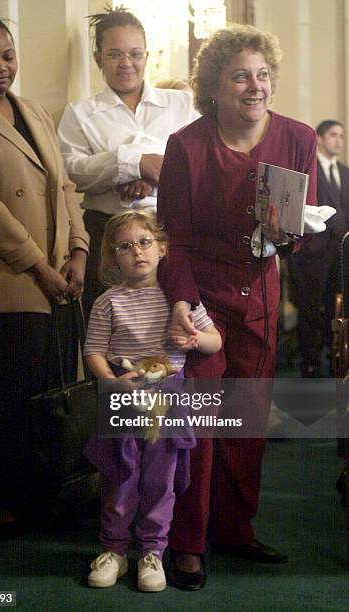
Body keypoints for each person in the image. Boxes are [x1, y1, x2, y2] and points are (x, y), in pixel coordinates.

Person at [157, 24, 318, 590]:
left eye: (263, 74)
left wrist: (288, 234)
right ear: (215, 87)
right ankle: (187, 542)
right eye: (240, 76)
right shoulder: (187, 145)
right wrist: (181, 302)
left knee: (246, 421)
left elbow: (305, 227)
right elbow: (171, 238)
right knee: (200, 423)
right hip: (200, 301)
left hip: (260, 297)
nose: (255, 86)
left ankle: (234, 530)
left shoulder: (299, 137)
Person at [0, 16, 89, 534]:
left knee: (58, 394)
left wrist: (78, 252)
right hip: (7, 280)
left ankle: (54, 494)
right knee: (17, 399)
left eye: (8, 55)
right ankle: (11, 501)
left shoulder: (33, 109)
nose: (1, 66)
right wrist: (38, 265)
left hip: (58, 273)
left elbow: (64, 187)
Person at [83, 210, 221, 592]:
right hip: (123, 398)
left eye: (144, 243)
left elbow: (215, 341)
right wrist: (111, 382)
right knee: (119, 477)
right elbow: (93, 351)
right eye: (125, 247)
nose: (137, 252)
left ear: (162, 248)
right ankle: (113, 551)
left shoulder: (181, 300)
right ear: (113, 258)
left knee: (160, 480)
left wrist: (195, 340)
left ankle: (152, 554)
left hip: (167, 397)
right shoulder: (108, 302)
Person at [57, 6, 197, 322]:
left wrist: (156, 175)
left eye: (135, 54)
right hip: (105, 234)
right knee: (110, 334)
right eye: (115, 54)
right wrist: (135, 163)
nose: (126, 63)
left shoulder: (180, 104)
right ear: (98, 58)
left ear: (147, 55)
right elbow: (70, 169)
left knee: (169, 330)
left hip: (167, 233)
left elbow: (201, 162)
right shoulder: (80, 113)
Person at [290, 120, 349, 377]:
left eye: (342, 136)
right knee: (310, 306)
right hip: (313, 250)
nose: (339, 141)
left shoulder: (346, 172)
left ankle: (334, 355)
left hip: (341, 251)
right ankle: (310, 360)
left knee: (337, 305)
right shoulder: (308, 169)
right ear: (321, 139)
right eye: (334, 135)